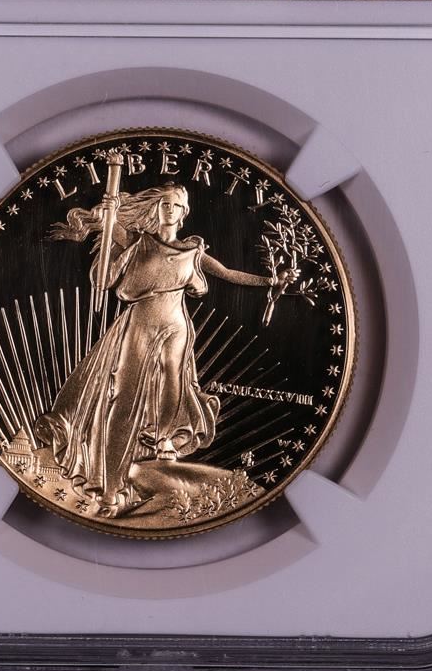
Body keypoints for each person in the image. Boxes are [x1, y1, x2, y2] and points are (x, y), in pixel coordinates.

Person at [36, 184, 294, 516]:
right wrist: (109, 213)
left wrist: (271, 282)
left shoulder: (192, 251)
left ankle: (163, 439)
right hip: (139, 325)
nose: (170, 210)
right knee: (123, 396)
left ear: (185, 213)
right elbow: (105, 266)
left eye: (176, 205)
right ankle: (110, 490)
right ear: (155, 209)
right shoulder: (137, 240)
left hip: (176, 326)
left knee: (173, 381)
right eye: (165, 204)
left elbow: (228, 273)